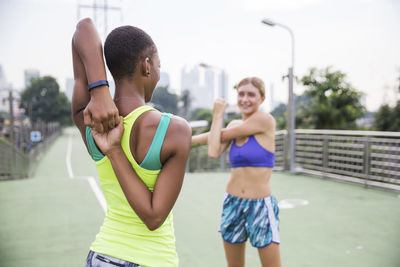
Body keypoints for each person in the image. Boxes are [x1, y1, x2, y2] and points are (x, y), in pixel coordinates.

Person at [71, 18, 191, 267]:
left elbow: (83, 30)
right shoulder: (174, 129)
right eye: (158, 65)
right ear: (146, 66)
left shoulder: (89, 119)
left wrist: (100, 90)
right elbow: (153, 217)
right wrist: (114, 150)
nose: (157, 74)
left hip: (101, 256)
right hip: (153, 260)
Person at [192, 77, 281, 267]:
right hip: (233, 203)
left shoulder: (265, 120)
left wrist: (216, 117)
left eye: (251, 94)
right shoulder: (233, 126)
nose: (245, 99)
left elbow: (218, 136)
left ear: (262, 99)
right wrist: (216, 118)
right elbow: (214, 150)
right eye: (241, 94)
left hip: (260, 205)